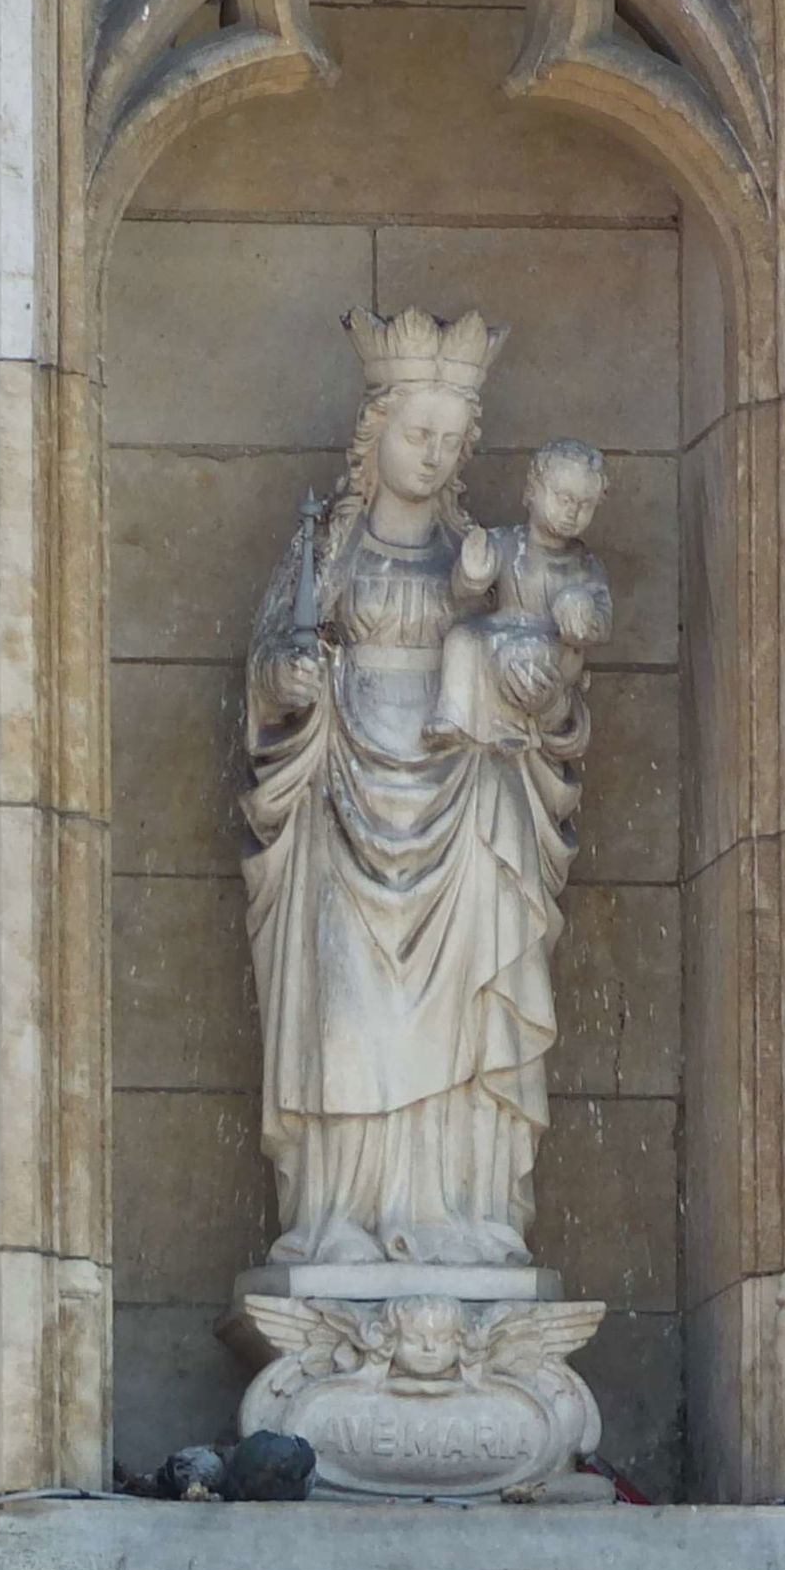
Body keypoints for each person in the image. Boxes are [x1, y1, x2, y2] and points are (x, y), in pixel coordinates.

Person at [241, 307, 606, 1272]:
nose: (435, 455)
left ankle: (461, 1210)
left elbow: (552, 675)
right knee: (348, 1010)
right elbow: (271, 665)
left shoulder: (486, 561)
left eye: (452, 440)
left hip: (473, 800)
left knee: (468, 1007)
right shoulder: (323, 546)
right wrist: (285, 679)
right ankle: (339, 1215)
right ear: (378, 431)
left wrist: (537, 684)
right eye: (417, 433)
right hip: (343, 793)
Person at [427, 439, 611, 756]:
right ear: (530, 493)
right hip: (503, 630)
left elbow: (602, 621)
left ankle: (512, 732)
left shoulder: (585, 566)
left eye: (585, 504)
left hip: (552, 647)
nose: (573, 511)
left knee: (525, 656)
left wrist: (582, 616)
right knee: (462, 638)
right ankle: (453, 718)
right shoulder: (505, 543)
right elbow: (463, 592)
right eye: (564, 498)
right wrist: (472, 574)